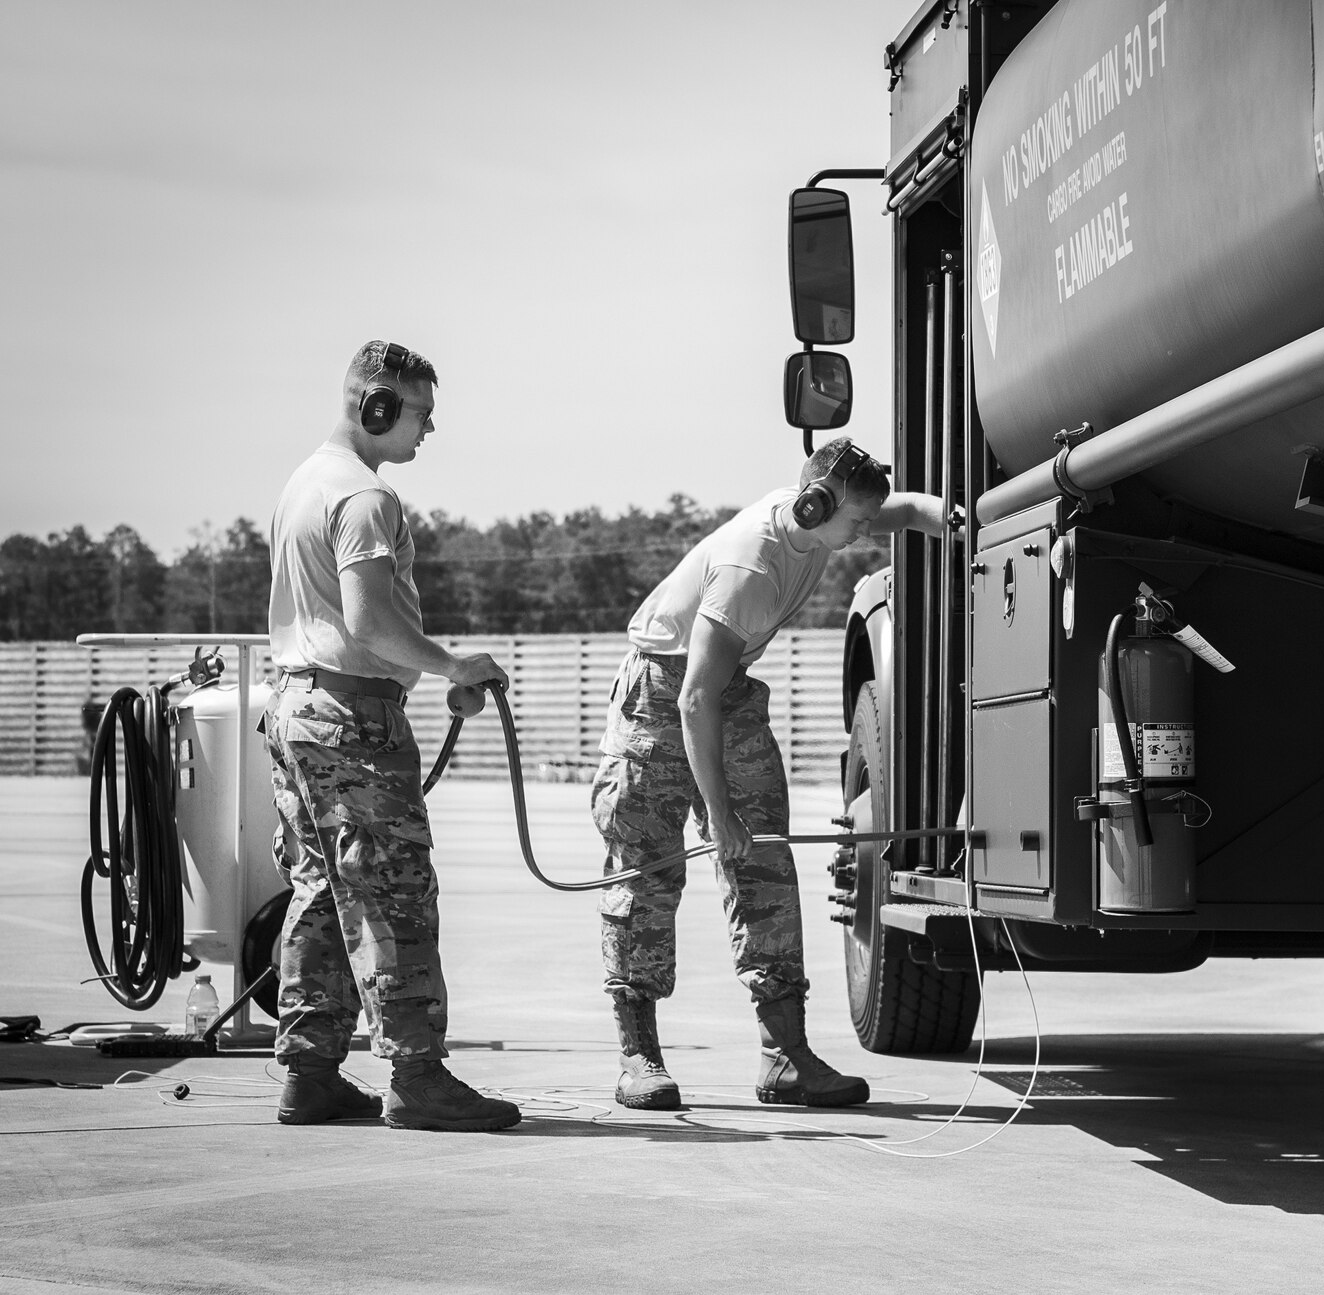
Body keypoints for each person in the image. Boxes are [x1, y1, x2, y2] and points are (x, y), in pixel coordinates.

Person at [593, 437, 946, 1111]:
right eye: (858, 522)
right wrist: (719, 816)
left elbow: (894, 510)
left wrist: (946, 516)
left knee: (766, 865)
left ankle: (785, 1056)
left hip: (722, 690)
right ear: (817, 505)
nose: (866, 533)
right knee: (647, 871)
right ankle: (637, 1054)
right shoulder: (751, 565)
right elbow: (694, 698)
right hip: (664, 697)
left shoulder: (817, 520)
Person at [263, 340, 520, 1132]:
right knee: (393, 893)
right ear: (377, 408)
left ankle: (309, 1071)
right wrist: (450, 665)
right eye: (420, 415)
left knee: (318, 890)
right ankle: (417, 1076)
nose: (427, 432)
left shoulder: (302, 484)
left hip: (297, 707)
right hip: (351, 715)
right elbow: (371, 622)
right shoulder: (367, 498)